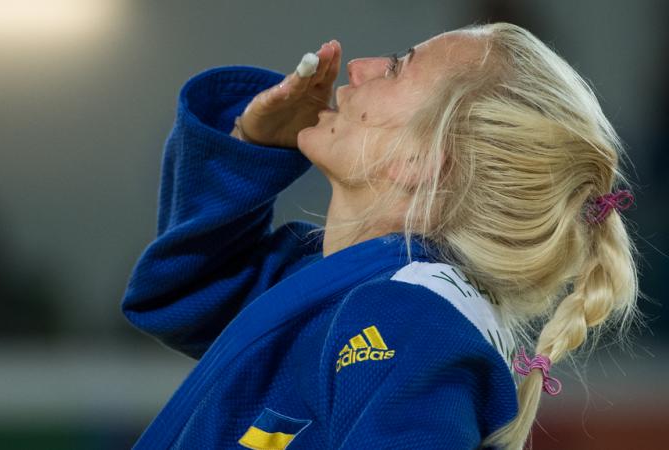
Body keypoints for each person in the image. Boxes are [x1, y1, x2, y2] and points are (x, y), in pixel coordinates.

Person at [122, 22, 643, 449]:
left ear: (423, 158)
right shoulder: (360, 297)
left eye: (396, 66)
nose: (359, 65)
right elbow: (189, 294)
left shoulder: (405, 318)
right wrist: (247, 143)